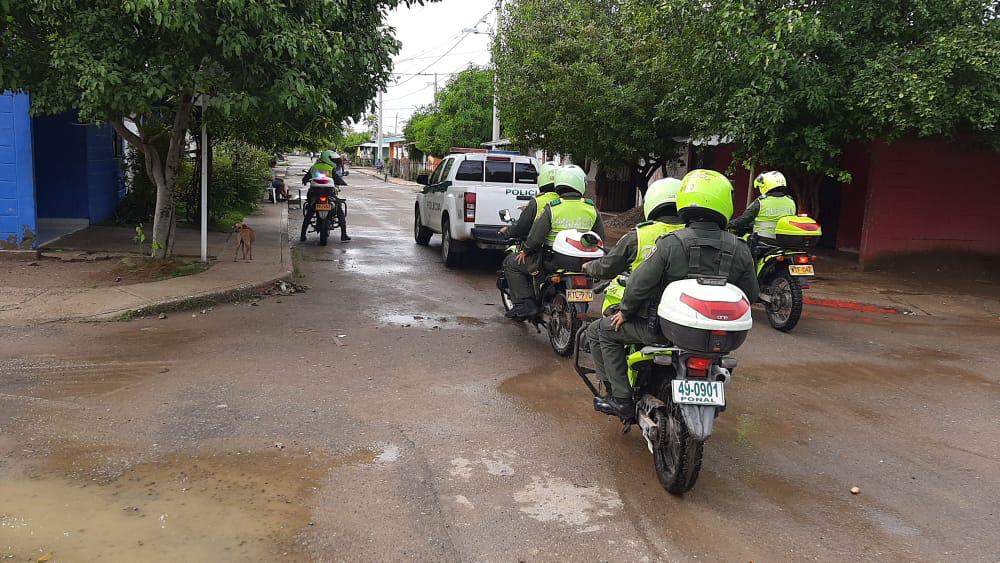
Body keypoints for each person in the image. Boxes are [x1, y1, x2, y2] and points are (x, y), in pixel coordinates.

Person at [592, 169, 759, 421]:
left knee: (605, 332)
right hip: (720, 339)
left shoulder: (671, 243)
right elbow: (751, 294)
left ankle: (621, 399)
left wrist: (625, 311)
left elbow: (639, 282)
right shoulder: (740, 248)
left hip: (661, 331)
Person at [581, 177, 685, 393]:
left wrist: (589, 267)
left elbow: (608, 267)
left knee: (596, 331)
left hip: (648, 317)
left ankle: (616, 394)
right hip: (685, 320)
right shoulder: (692, 235)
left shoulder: (640, 234)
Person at [503, 165, 605, 320]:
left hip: (552, 261)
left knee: (511, 263)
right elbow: (600, 238)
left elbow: (537, 236)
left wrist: (526, 250)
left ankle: (526, 304)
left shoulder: (553, 207)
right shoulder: (591, 208)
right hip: (582, 263)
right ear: (581, 184)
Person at [728, 170, 796, 247]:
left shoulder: (761, 202)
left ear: (766, 185)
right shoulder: (791, 201)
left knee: (742, 249)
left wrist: (729, 224)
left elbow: (742, 221)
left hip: (762, 243)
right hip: (783, 244)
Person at [500, 161, 560, 240]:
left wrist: (507, 232)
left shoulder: (537, 202)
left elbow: (522, 226)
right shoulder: (567, 201)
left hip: (541, 247)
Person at [300, 150, 351, 242]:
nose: (335, 162)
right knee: (339, 210)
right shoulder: (330, 168)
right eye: (334, 160)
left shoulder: (314, 167)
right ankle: (343, 234)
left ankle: (302, 235)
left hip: (314, 194)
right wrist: (343, 183)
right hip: (329, 194)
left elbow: (305, 179)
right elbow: (338, 180)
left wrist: (305, 181)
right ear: (328, 159)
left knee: (309, 213)